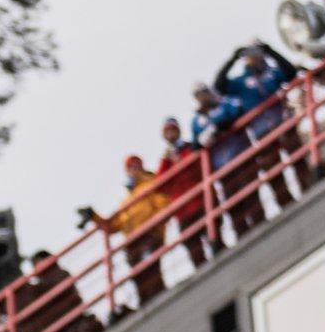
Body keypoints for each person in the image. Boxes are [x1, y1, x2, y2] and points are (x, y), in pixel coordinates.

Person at [215, 39, 308, 201]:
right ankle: (285, 201)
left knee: (298, 157)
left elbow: (290, 72)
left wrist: (269, 50)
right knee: (273, 170)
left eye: (256, 53)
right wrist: (233, 58)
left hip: (283, 123)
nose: (254, 57)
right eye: (250, 55)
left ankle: (308, 186)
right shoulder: (241, 82)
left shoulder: (271, 73)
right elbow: (219, 85)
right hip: (262, 131)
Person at [78, 155, 169, 313]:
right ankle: (145, 304)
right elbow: (114, 225)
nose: (133, 170)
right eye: (130, 168)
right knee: (138, 275)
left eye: (135, 166)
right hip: (133, 242)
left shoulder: (150, 184)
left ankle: (160, 299)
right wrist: (94, 216)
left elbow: (163, 204)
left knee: (150, 269)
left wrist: (156, 226)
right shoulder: (127, 200)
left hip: (150, 234)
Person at [191, 81, 262, 240]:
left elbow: (236, 113)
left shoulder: (224, 104)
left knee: (251, 193)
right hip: (222, 168)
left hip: (241, 156)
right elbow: (195, 145)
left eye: (204, 93)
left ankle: (260, 223)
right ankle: (242, 235)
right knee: (232, 202)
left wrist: (217, 127)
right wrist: (203, 140)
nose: (202, 97)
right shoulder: (197, 120)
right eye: (198, 95)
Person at [157, 119, 218, 268]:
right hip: (183, 212)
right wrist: (167, 161)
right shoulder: (166, 161)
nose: (171, 134)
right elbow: (159, 186)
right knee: (194, 249)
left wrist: (180, 160)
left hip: (202, 202)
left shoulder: (190, 148)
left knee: (215, 238)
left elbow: (200, 167)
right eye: (167, 132)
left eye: (173, 130)